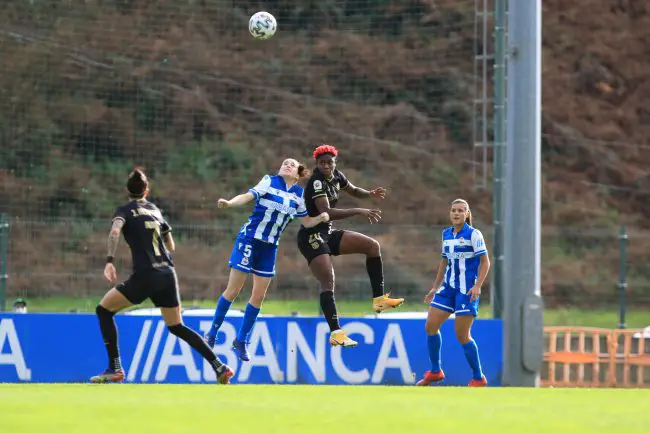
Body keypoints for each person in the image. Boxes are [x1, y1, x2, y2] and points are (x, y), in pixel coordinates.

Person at [91, 168, 234, 384]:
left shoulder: (124, 211)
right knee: (177, 326)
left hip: (146, 274)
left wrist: (110, 261)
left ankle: (115, 368)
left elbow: (114, 232)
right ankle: (219, 366)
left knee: (103, 310)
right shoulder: (155, 210)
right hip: (167, 273)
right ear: (146, 191)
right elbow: (171, 245)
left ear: (126, 191)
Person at [204, 158, 330, 361]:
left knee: (259, 296)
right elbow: (247, 196)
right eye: (284, 163)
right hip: (249, 240)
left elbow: (306, 222)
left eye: (291, 164)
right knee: (234, 290)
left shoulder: (299, 195)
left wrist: (320, 218)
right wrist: (229, 203)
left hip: (270, 247)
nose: (286, 165)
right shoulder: (269, 181)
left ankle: (241, 340)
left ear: (298, 174)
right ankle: (212, 333)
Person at [297, 145, 404, 348]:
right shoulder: (317, 182)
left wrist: (369, 193)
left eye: (330, 162)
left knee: (372, 246)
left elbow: (353, 190)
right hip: (311, 236)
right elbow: (327, 211)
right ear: (317, 164)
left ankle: (379, 299)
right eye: (322, 163)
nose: (327, 166)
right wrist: (359, 210)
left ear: (335, 162)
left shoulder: (337, 175)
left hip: (327, 232)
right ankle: (336, 332)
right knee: (328, 281)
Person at [416, 198, 490, 387]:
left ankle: (478, 377)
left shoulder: (474, 234)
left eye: (460, 210)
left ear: (467, 214)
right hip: (448, 288)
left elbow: (485, 262)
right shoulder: (446, 234)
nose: (456, 213)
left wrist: (478, 285)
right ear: (450, 213)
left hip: (466, 291)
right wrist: (435, 287)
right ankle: (435, 371)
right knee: (430, 326)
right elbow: (444, 262)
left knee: (462, 336)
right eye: (453, 210)